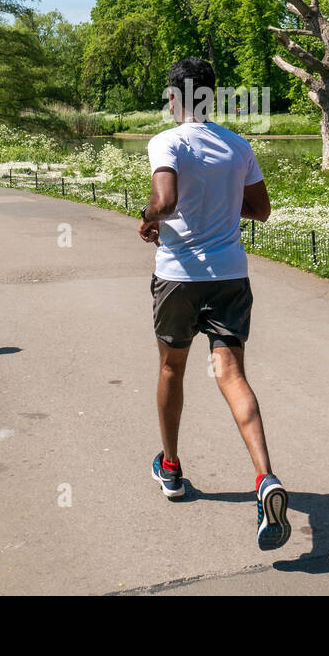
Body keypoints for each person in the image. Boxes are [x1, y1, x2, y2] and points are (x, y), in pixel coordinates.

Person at [139, 57, 289, 551]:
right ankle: (265, 478)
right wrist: (227, 207)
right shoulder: (238, 144)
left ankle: (173, 468)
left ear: (177, 98)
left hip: (179, 276)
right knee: (232, 374)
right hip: (230, 274)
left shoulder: (167, 141)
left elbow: (164, 202)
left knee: (171, 371)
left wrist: (147, 218)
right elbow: (261, 210)